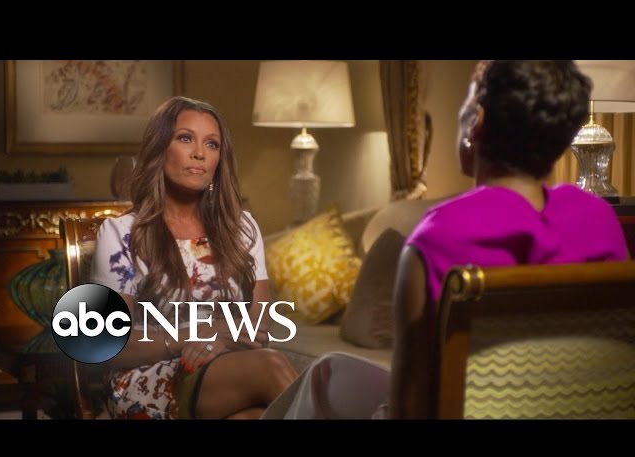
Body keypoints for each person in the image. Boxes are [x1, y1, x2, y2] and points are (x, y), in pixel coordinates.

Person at [262, 60, 629, 420]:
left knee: (324, 383)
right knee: (327, 371)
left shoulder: (438, 236)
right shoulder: (599, 220)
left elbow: (410, 407)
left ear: (476, 122)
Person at [90, 96, 298, 419]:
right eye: (186, 138)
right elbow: (109, 345)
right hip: (148, 379)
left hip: (226, 365)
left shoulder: (242, 228)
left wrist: (221, 342)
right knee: (272, 365)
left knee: (256, 416)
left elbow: (260, 326)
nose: (200, 153)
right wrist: (198, 335)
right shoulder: (122, 233)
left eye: (211, 144)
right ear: (160, 148)